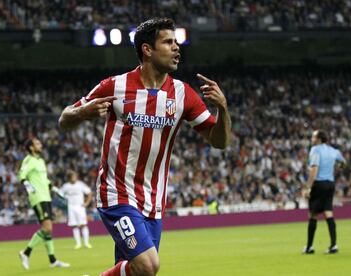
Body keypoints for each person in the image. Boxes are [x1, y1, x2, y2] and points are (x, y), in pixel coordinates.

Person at [59, 18, 231, 276]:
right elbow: (64, 119)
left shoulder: (183, 94)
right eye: (168, 42)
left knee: (137, 272)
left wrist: (223, 109)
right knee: (148, 266)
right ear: (147, 50)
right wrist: (84, 111)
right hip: (116, 194)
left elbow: (220, 142)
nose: (176, 48)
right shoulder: (115, 86)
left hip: (153, 201)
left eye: (176, 42)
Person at [18, 138, 70, 269]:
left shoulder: (40, 161)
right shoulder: (28, 160)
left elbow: (45, 179)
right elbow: (21, 174)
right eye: (37, 144)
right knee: (47, 228)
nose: (40, 145)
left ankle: (52, 260)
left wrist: (54, 188)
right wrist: (26, 184)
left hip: (46, 196)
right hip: (37, 197)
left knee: (48, 230)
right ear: (31, 147)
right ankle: (26, 252)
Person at [302, 130, 346, 255]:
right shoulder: (334, 151)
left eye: (313, 136)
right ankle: (334, 245)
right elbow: (343, 163)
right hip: (330, 184)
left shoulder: (315, 150)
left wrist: (308, 187)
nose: (311, 138)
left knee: (313, 215)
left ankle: (309, 247)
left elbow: (314, 169)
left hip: (319, 184)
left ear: (319, 139)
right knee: (328, 213)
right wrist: (337, 168)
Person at [60, 170, 93, 249]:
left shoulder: (80, 185)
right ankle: (78, 244)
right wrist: (64, 200)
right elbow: (60, 194)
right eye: (73, 176)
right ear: (69, 178)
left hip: (80, 207)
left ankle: (86, 243)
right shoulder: (66, 186)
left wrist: (87, 203)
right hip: (71, 207)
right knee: (75, 225)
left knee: (83, 224)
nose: (75, 178)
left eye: (75, 176)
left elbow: (89, 193)